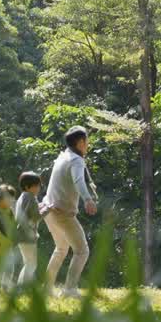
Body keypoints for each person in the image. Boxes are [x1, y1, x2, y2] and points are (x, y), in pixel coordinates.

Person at [40, 126, 99, 297]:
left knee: (61, 249)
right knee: (82, 250)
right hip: (62, 213)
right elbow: (79, 181)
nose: (88, 144)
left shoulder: (63, 156)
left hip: (48, 210)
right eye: (87, 141)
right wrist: (87, 199)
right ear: (80, 142)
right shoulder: (76, 160)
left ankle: (46, 289)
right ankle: (70, 290)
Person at [14, 171, 43, 285]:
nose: (39, 188)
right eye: (36, 185)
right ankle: (22, 287)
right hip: (27, 235)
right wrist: (48, 209)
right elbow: (35, 217)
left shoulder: (23, 196)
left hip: (21, 235)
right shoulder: (30, 197)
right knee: (31, 264)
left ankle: (22, 286)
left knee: (29, 263)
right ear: (27, 186)